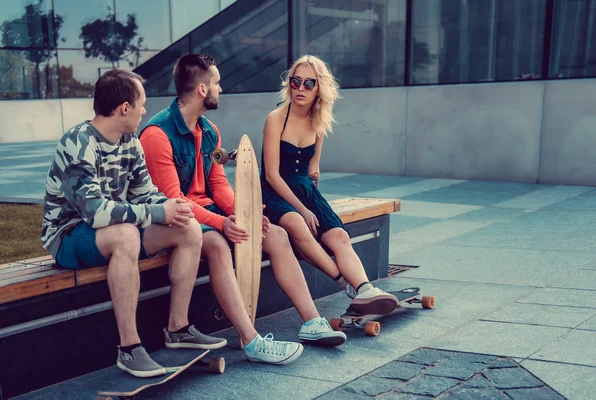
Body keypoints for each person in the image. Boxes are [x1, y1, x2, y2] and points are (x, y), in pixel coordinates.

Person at [139, 53, 346, 365]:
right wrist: (223, 225)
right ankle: (252, 342)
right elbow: (174, 202)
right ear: (201, 90)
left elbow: (219, 184)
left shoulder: (209, 130)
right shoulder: (157, 135)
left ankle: (312, 321)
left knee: (275, 235)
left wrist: (245, 212)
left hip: (207, 214)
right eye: (217, 83)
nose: (221, 89)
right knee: (219, 245)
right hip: (178, 222)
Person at [40, 69, 227, 378]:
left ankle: (178, 329)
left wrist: (170, 207)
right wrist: (155, 214)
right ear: (124, 108)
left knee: (188, 226)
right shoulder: (78, 143)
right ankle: (129, 349)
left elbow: (145, 194)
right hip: (69, 234)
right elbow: (96, 212)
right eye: (141, 103)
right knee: (127, 235)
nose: (145, 110)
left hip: (111, 228)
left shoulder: (130, 142)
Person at [260, 55, 399, 315]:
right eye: (296, 82)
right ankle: (346, 284)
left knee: (338, 235)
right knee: (298, 223)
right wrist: (303, 209)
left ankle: (366, 288)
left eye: (308, 84)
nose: (300, 89)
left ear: (319, 88)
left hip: (304, 189)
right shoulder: (276, 118)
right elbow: (271, 175)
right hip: (275, 191)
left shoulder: (318, 122)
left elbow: (313, 169)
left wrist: (317, 207)